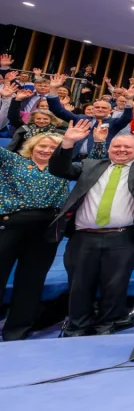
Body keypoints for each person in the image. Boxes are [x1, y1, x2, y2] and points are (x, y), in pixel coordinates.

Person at [49, 120, 134, 336]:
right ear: (109, 148)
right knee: (79, 284)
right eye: (116, 146)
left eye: (127, 147)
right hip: (84, 237)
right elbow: (58, 169)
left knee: (115, 284)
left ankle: (107, 324)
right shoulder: (90, 165)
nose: (121, 150)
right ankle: (77, 326)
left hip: (124, 237)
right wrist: (67, 142)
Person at [0, 103, 68, 340]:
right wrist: (9, 100)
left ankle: (16, 331)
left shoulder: (65, 169)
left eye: (53, 147)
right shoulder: (13, 162)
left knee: (32, 280)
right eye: (43, 145)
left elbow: (96, 163)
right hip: (9, 225)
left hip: (46, 228)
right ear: (32, 146)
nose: (47, 150)